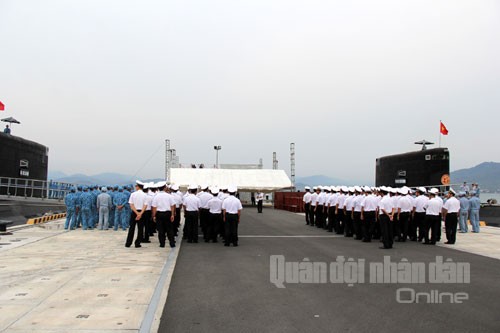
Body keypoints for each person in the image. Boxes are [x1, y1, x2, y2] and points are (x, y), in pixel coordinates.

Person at [152, 181, 176, 248]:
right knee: (169, 229)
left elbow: (154, 207)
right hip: (167, 214)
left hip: (159, 214)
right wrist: (172, 214)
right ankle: (172, 243)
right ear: (164, 188)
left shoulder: (156, 197)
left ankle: (162, 244)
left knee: (161, 230)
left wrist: (154, 216)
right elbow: (172, 206)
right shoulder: (169, 196)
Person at [125, 181, 148, 248]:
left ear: (138, 187)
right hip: (142, 212)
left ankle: (128, 243)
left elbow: (131, 205)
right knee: (140, 228)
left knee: (132, 228)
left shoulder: (133, 194)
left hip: (134, 212)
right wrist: (140, 213)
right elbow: (145, 205)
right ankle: (137, 243)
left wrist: (136, 213)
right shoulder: (145, 195)